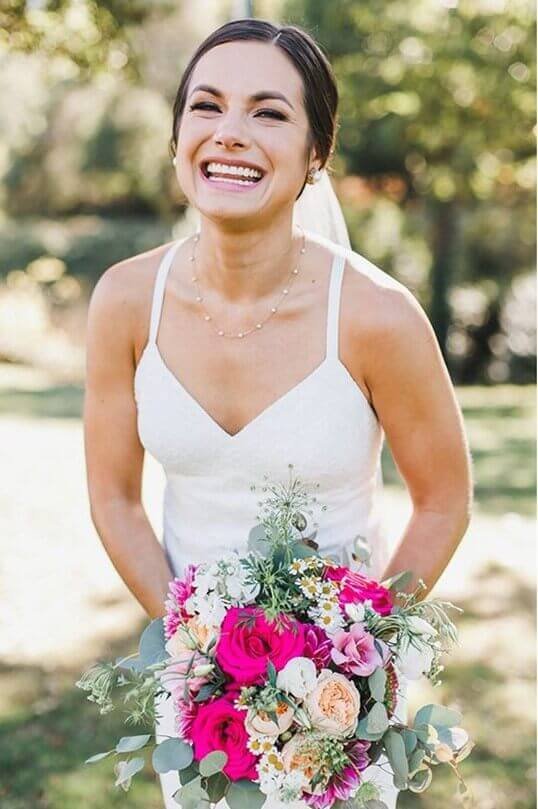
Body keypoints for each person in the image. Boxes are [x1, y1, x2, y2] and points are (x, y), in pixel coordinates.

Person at [83, 18, 473, 809]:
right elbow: (114, 500)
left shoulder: (377, 317)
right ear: (177, 136)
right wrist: (198, 655)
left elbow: (445, 500)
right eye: (206, 106)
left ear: (315, 154)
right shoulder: (125, 300)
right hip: (195, 696)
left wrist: (351, 652)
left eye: (268, 112)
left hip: (338, 710)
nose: (230, 134)